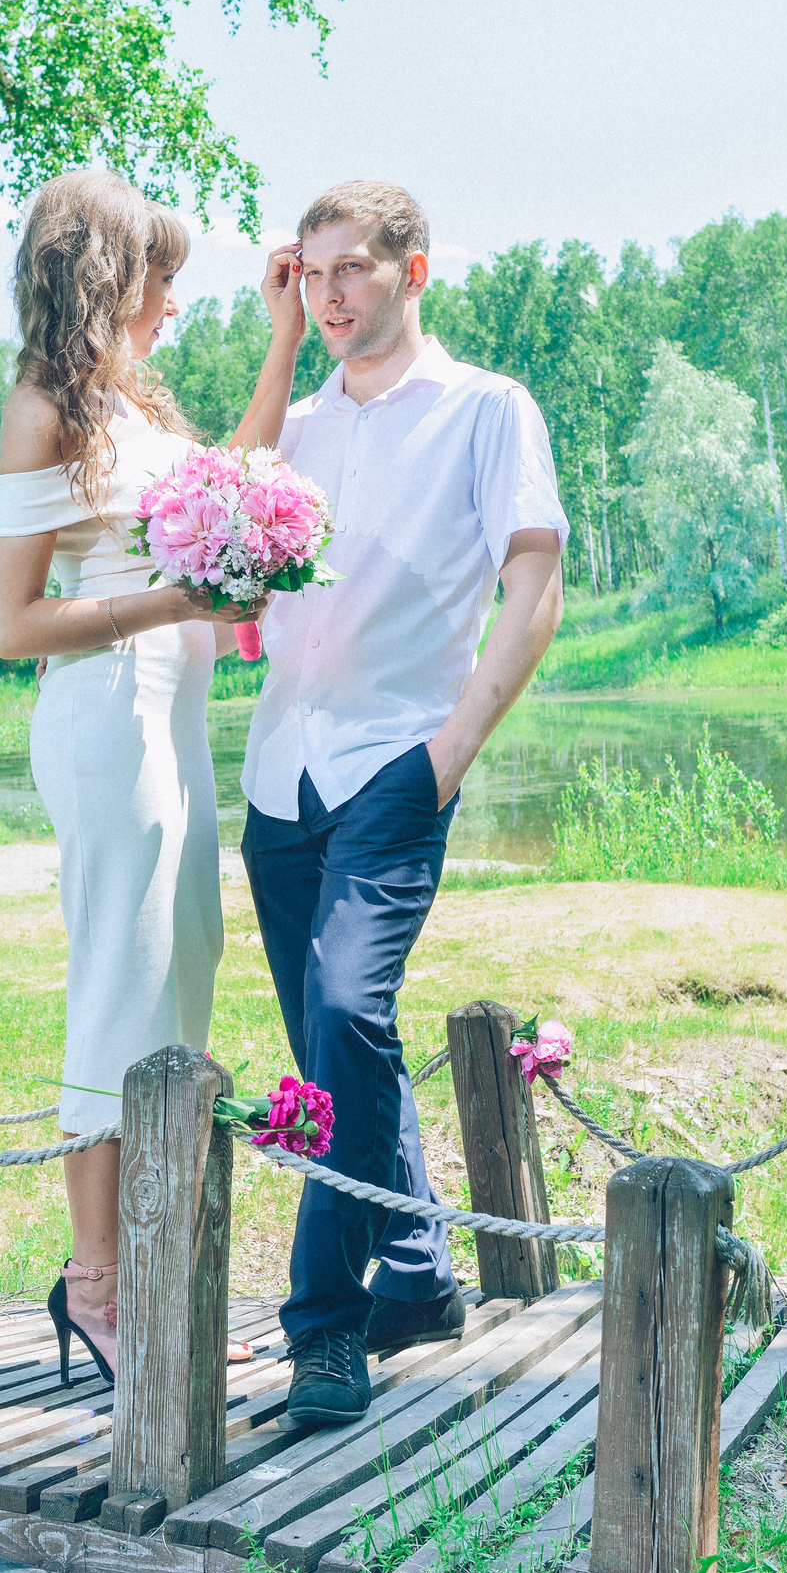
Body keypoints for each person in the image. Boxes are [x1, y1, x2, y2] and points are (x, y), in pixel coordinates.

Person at [227, 180, 569, 1424]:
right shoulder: (298, 422)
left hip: (396, 758)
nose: (329, 295)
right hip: (280, 769)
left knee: (342, 1008)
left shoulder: (486, 409)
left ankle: (324, 1324)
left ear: (411, 271)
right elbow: (225, 542)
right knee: (336, 1046)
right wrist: (276, 343)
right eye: (310, 274)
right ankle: (417, 1272)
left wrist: (451, 752)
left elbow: (534, 579)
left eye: (352, 270)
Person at [0, 169, 262, 1387]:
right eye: (162, 274)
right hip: (105, 713)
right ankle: (97, 1286)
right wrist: (171, 602)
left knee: (179, 975)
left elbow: (237, 482)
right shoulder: (41, 410)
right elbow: (12, 622)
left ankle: (158, 1279)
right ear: (107, 274)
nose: (175, 300)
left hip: (173, 714)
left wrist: (284, 337)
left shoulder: (132, 405)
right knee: (119, 985)